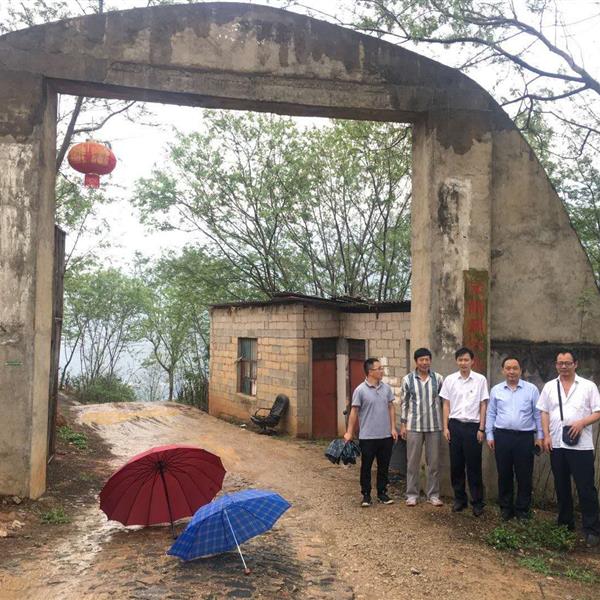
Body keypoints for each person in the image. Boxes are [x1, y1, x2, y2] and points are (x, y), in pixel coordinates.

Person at [537, 349, 600, 547]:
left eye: (567, 363)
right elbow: (544, 412)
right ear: (556, 365)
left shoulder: (588, 386)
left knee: (586, 488)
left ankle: (592, 529)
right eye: (560, 363)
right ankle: (565, 523)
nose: (563, 366)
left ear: (575, 364)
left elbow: (598, 411)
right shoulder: (550, 386)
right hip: (557, 443)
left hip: (581, 447)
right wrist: (546, 435)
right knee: (561, 485)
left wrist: (582, 423)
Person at [486, 356, 543, 520]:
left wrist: (540, 436)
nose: (511, 371)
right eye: (508, 368)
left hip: (524, 438)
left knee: (524, 475)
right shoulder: (496, 390)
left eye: (515, 368)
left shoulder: (531, 389)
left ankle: (522, 510)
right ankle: (506, 508)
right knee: (504, 473)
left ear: (521, 370)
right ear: (503, 370)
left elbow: (538, 414)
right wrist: (489, 434)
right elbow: (491, 413)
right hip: (502, 436)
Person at [440, 347, 489, 516]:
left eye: (466, 360)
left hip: (473, 427)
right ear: (456, 361)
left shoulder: (480, 380)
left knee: (474, 466)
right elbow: (446, 404)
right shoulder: (450, 380)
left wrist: (482, 428)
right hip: (455, 426)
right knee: (456, 465)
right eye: (460, 360)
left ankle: (477, 502)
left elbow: (483, 404)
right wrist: (446, 427)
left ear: (472, 361)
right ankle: (460, 499)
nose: (463, 363)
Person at [344, 357, 398, 507]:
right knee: (366, 467)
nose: (381, 371)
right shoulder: (360, 390)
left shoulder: (386, 389)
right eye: (379, 369)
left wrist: (393, 428)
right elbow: (354, 412)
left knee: (384, 466)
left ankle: (382, 493)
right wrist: (349, 432)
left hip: (385, 435)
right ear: (370, 372)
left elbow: (391, 407)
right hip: (367, 436)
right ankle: (366, 495)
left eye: (381, 368)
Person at [400, 347, 444, 507]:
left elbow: (444, 402)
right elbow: (404, 403)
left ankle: (433, 495)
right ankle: (412, 494)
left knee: (434, 463)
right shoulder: (407, 380)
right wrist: (403, 425)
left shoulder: (438, 379)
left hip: (434, 426)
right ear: (416, 361)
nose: (424, 362)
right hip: (414, 426)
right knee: (412, 463)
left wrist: (445, 424)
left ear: (430, 361)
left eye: (427, 359)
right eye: (421, 360)